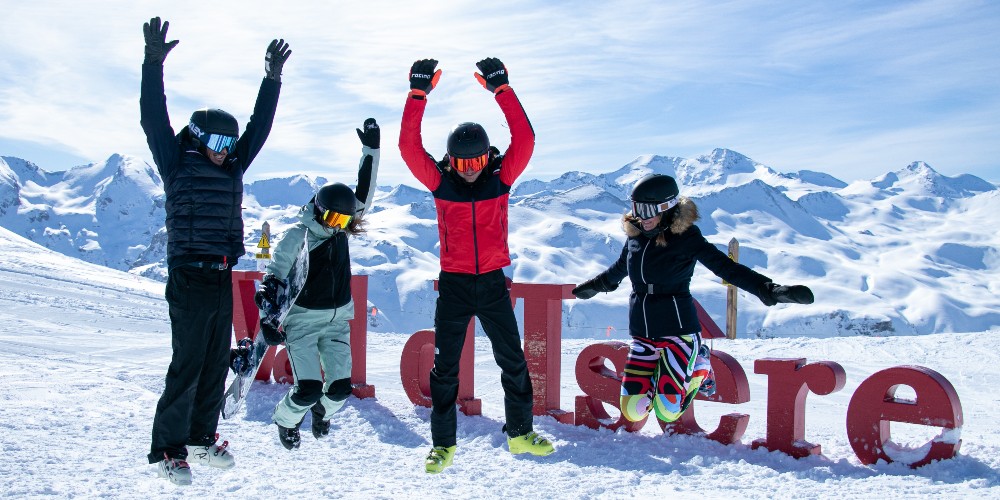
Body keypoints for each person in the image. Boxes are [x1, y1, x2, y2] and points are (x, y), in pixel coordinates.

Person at [139, 16, 290, 486]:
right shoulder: (175, 160)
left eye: (229, 143)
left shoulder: (233, 165)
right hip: (187, 274)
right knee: (186, 362)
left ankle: (202, 438)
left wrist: (271, 80)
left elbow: (258, 128)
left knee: (212, 361)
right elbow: (151, 116)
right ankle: (168, 449)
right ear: (200, 138)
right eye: (218, 143)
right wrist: (152, 64)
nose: (226, 151)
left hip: (221, 272)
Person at [398, 57, 555, 474]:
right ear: (449, 161)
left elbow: (526, 138)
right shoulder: (440, 182)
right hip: (453, 284)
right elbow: (408, 148)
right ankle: (442, 445)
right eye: (462, 164)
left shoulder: (501, 179)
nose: (469, 173)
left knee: (512, 359)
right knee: (444, 368)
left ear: (488, 157)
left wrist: (502, 90)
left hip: (490, 282)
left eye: (477, 163)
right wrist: (417, 95)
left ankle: (520, 434)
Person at [572, 173, 814, 425]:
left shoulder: (686, 238)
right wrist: (594, 287)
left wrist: (769, 290)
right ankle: (664, 377)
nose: (642, 217)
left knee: (667, 412)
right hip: (642, 335)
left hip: (678, 333)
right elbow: (620, 268)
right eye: (636, 208)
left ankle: (700, 364)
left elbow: (725, 268)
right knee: (633, 410)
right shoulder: (636, 237)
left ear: (667, 208)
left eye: (648, 209)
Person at [254, 118, 380, 450]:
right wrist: (267, 319)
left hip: (338, 320)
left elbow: (364, 191)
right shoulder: (300, 235)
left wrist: (372, 149)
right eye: (332, 219)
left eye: (344, 220)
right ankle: (286, 420)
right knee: (307, 388)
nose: (338, 226)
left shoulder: (340, 227)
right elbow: (275, 277)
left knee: (338, 389)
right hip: (304, 322)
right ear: (318, 211)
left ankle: (322, 414)